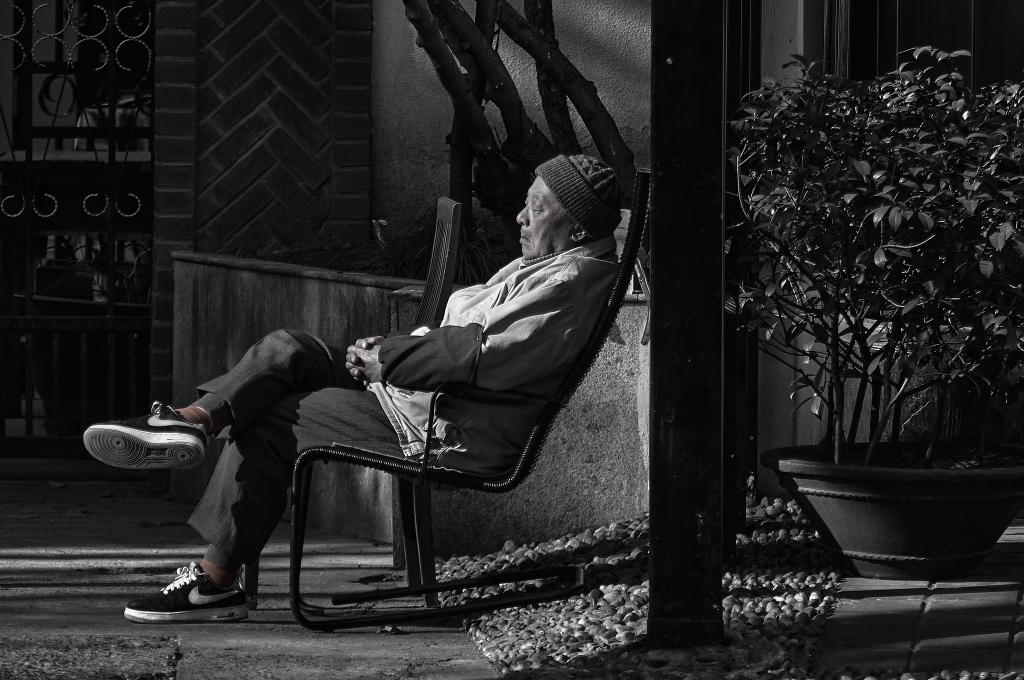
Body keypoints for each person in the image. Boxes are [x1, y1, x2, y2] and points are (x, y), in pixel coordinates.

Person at [83, 154, 624, 624]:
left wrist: (384, 360)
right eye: (525, 203)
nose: (521, 217)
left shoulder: (566, 285)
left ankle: (216, 580)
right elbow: (463, 341)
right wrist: (388, 350)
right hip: (419, 402)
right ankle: (191, 421)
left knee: (275, 418)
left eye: (537, 208)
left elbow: (472, 353)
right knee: (287, 349)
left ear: (577, 228)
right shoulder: (554, 264)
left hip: (444, 428)